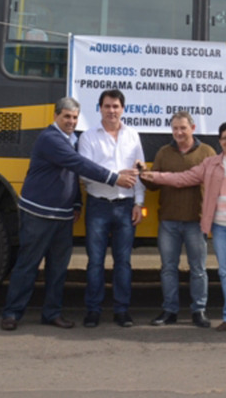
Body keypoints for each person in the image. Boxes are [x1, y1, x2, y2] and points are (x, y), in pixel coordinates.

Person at [0, 97, 137, 331]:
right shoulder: (50, 139)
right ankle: (12, 313)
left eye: (74, 117)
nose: (71, 121)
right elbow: (78, 164)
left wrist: (75, 204)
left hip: (63, 216)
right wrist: (115, 178)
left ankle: (52, 313)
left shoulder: (71, 139)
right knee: (27, 265)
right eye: (66, 116)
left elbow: (71, 176)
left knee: (58, 269)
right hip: (38, 213)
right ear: (55, 116)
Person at [141, 121, 226, 333]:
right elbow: (182, 178)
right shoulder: (210, 164)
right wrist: (153, 176)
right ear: (220, 141)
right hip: (219, 228)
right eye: (225, 138)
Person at [78, 88, 146, 328]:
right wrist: (116, 176)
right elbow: (85, 173)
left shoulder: (133, 136)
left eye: (116, 106)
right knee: (95, 261)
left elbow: (139, 172)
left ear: (123, 109)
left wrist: (139, 203)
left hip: (126, 206)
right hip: (98, 205)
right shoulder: (88, 137)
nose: (111, 111)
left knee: (123, 262)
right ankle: (93, 311)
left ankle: (121, 311)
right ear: (100, 108)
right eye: (107, 106)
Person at [143, 111, 217, 328]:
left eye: (182, 128)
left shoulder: (207, 152)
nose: (178, 132)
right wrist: (144, 176)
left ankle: (199, 310)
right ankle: (169, 310)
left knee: (198, 269)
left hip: (196, 220)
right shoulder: (163, 152)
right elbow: (154, 184)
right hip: (168, 220)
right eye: (175, 128)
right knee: (168, 268)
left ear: (192, 128)